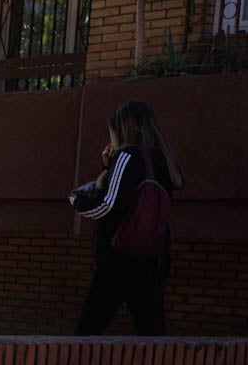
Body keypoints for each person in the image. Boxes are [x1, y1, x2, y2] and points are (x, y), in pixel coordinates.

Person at [70, 99, 183, 336]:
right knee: (151, 333)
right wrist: (108, 168)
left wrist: (78, 201)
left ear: (122, 130)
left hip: (117, 257)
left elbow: (109, 205)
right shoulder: (162, 160)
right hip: (153, 256)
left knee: (85, 334)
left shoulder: (127, 155)